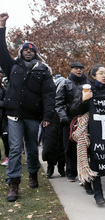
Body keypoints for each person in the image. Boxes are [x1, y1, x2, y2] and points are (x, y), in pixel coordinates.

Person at [0, 13, 56, 202]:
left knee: (32, 148)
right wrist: (1, 27)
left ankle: (32, 172)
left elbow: (49, 95)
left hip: (33, 116)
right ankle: (13, 183)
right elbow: (1, 51)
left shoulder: (43, 70)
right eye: (25, 50)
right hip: (14, 115)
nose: (28, 52)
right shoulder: (12, 67)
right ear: (21, 52)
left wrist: (48, 116)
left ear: (36, 53)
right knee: (15, 148)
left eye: (32, 50)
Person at [71, 64, 105, 205]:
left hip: (103, 130)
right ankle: (98, 194)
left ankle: (90, 183)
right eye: (101, 73)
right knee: (92, 158)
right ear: (93, 76)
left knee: (96, 159)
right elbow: (73, 109)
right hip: (87, 131)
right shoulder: (85, 89)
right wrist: (83, 99)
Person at [55, 62, 88, 182]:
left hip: (84, 118)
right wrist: (63, 116)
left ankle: (82, 170)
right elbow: (59, 103)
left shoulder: (88, 84)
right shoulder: (65, 83)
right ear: (71, 70)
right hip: (68, 119)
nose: (79, 71)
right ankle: (70, 171)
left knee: (83, 146)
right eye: (76, 69)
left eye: (81, 68)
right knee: (68, 147)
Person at [42, 74, 66, 178]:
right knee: (50, 145)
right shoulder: (48, 92)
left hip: (63, 120)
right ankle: (50, 166)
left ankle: (61, 166)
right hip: (50, 120)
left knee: (63, 145)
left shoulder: (65, 92)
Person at [0, 69, 9, 166]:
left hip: (3, 118)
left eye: (1, 77)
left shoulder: (4, 90)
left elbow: (6, 103)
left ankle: (7, 156)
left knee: (5, 139)